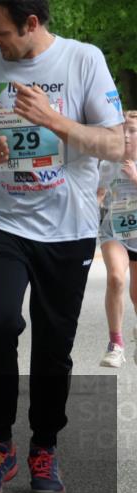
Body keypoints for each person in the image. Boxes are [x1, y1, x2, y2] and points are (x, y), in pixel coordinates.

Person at [0, 0, 123, 493]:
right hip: (3, 219)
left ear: (32, 24)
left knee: (54, 347)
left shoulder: (82, 59)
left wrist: (55, 120)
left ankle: (44, 446)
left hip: (67, 225)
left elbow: (117, 143)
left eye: (3, 33)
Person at [96, 111, 137, 368]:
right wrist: (95, 200)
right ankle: (116, 344)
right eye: (122, 130)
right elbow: (97, 194)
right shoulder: (107, 163)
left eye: (131, 130)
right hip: (115, 231)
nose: (125, 135)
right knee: (115, 278)